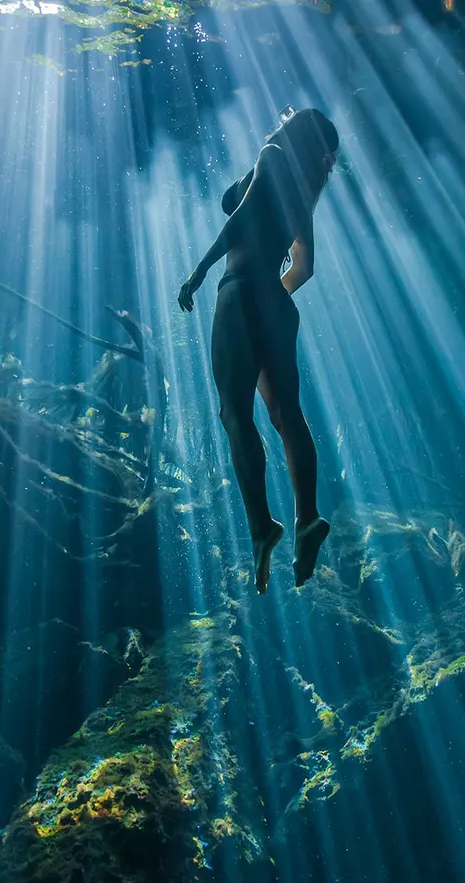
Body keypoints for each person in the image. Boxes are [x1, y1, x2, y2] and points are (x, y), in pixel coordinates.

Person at [177, 107, 339, 594]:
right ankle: (307, 517)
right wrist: (273, 297)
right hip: (275, 298)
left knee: (234, 415)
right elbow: (304, 268)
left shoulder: (271, 154)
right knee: (288, 415)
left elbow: (242, 216)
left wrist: (200, 271)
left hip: (240, 289)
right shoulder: (305, 191)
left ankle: (261, 526)